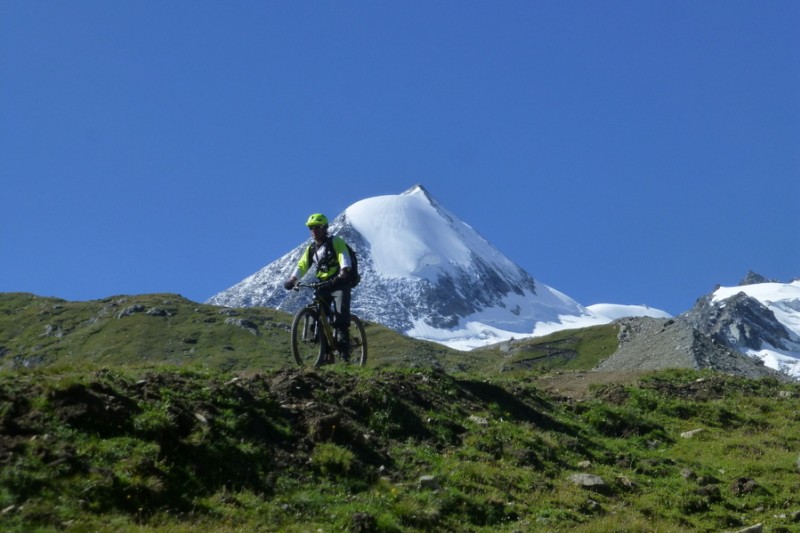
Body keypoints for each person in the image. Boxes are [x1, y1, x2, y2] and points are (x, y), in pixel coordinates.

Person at [284, 213, 354, 360]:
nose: (313, 231)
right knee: (318, 313)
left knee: (341, 315)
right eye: (311, 228)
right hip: (322, 283)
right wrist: (292, 279)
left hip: (339, 282)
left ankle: (344, 350)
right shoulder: (311, 249)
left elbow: (343, 257)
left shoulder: (335, 241)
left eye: (316, 227)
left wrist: (344, 271)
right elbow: (302, 265)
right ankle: (325, 351)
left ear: (324, 228)